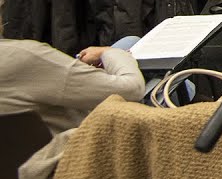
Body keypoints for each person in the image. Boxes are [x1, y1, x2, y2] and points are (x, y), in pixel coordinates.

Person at [0, 38, 145, 137]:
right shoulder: (27, 55)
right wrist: (110, 53)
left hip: (11, 173)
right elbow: (132, 89)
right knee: (131, 42)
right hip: (68, 161)